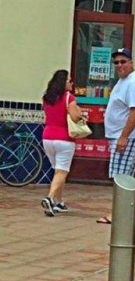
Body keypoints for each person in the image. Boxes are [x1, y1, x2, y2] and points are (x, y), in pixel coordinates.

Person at [97, 47, 135, 224]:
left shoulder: (134, 83)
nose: (119, 65)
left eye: (123, 61)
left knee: (121, 177)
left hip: (127, 136)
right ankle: (134, 210)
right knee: (127, 176)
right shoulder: (122, 82)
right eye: (116, 62)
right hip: (119, 135)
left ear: (131, 63)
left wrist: (124, 136)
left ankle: (118, 213)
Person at [41, 69, 83, 216]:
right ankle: (50, 198)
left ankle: (59, 202)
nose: (72, 83)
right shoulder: (68, 98)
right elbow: (75, 117)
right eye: (69, 80)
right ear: (63, 83)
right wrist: (79, 111)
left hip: (47, 138)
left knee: (58, 171)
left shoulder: (47, 98)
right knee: (61, 171)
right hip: (64, 138)